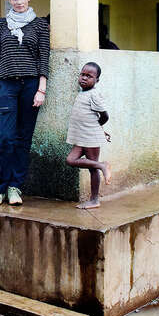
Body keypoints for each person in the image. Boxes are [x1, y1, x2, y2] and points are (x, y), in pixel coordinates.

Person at [0, 0, 50, 206]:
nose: (19, 2)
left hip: (31, 87)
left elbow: (44, 58)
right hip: (7, 87)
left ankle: (15, 188)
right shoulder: (1, 24)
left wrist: (41, 89)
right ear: (10, 0)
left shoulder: (40, 25)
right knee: (6, 138)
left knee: (23, 139)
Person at [65, 62, 112, 209]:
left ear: (97, 80)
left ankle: (94, 199)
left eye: (89, 76)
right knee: (71, 160)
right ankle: (101, 165)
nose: (84, 78)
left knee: (92, 170)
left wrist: (98, 129)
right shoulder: (82, 92)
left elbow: (104, 116)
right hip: (81, 136)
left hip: (90, 137)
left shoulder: (94, 94)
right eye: (82, 74)